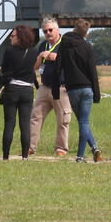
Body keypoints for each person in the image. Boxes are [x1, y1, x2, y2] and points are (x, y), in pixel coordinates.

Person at [51, 18, 102, 163]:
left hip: (72, 89)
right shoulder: (88, 48)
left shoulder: (64, 45)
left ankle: (88, 152)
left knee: (82, 121)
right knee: (84, 121)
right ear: (86, 34)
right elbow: (93, 73)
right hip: (87, 89)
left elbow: (57, 68)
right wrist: (97, 95)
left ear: (74, 28)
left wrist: (55, 91)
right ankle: (86, 153)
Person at [0, 24, 38, 160]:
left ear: (19, 37)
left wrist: (1, 85)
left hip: (12, 89)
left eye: (13, 36)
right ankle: (25, 156)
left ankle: (6, 156)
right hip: (27, 90)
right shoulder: (33, 52)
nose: (10, 37)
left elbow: (5, 70)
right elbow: (32, 70)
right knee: (25, 124)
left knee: (9, 123)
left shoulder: (9, 51)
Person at [29, 17, 71, 157]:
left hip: (61, 88)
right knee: (35, 117)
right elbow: (34, 68)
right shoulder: (42, 45)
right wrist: (40, 57)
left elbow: (73, 64)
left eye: (50, 30)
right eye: (45, 31)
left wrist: (58, 58)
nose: (48, 33)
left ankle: (61, 149)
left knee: (63, 119)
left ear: (57, 30)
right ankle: (30, 147)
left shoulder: (66, 44)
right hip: (44, 87)